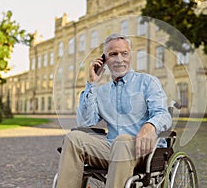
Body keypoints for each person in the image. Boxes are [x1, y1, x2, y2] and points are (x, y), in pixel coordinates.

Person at [56, 34, 172, 188]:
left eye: (124, 53)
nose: (119, 59)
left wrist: (150, 126)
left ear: (130, 55)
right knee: (73, 138)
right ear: (104, 60)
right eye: (113, 54)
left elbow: (162, 113)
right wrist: (91, 83)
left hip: (144, 150)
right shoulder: (101, 92)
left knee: (122, 141)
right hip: (111, 148)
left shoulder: (147, 82)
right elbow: (85, 122)